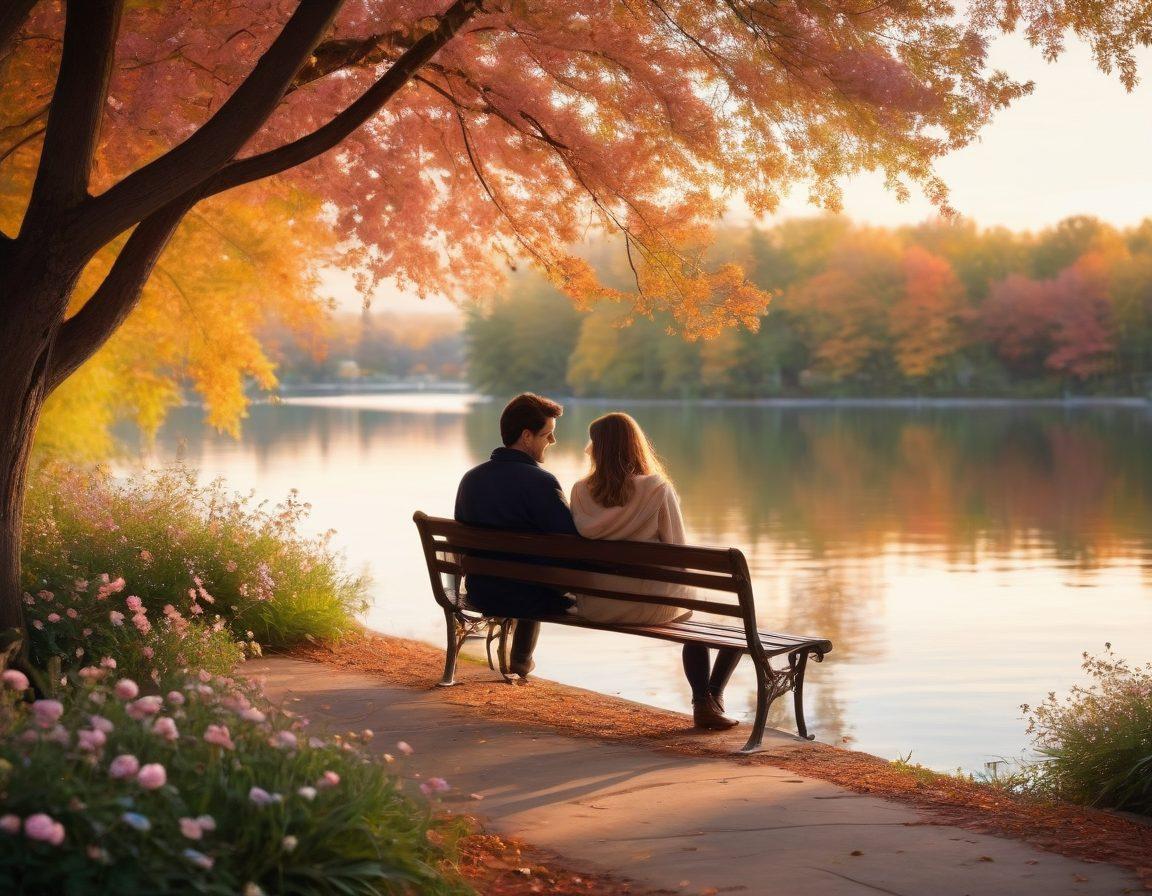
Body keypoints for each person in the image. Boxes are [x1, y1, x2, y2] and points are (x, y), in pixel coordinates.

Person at [570, 412, 742, 730]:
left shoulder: (580, 491)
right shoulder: (657, 489)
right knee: (722, 626)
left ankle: (710, 703)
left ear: (598, 448)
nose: (586, 448)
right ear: (634, 445)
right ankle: (708, 701)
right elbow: (679, 552)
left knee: (699, 615)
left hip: (597, 606)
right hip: (650, 608)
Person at [454, 393, 579, 679]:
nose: (553, 441)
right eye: (547, 434)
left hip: (480, 590)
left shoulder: (471, 479)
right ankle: (521, 659)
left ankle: (520, 659)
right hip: (528, 597)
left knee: (526, 573)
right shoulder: (541, 482)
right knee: (540, 577)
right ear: (526, 436)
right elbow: (570, 542)